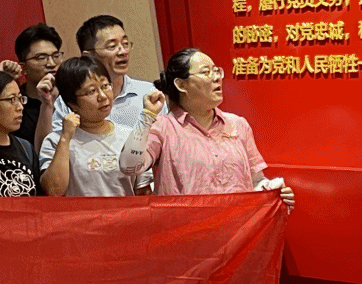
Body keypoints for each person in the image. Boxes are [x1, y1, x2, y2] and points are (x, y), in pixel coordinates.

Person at [121, 48, 293, 205]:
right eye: (206, 72)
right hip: (188, 227)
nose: (216, 77)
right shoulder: (163, 127)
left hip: (238, 226)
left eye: (217, 71)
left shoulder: (238, 124)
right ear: (181, 85)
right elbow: (129, 166)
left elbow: (255, 181)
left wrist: (273, 192)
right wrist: (147, 116)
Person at [41, 56, 143, 197]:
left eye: (105, 86)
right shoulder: (55, 141)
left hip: (125, 211)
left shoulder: (129, 136)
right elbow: (54, 191)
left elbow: (143, 191)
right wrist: (65, 139)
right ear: (71, 102)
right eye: (91, 91)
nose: (103, 96)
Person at [50, 15, 157, 136]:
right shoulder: (69, 101)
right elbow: (55, 143)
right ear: (89, 56)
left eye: (125, 43)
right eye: (112, 46)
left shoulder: (149, 93)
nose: (123, 51)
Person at [2, 23, 64, 164]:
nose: (51, 63)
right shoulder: (15, 104)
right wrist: (2, 81)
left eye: (56, 56)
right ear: (23, 67)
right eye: (41, 58)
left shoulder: (71, 96)